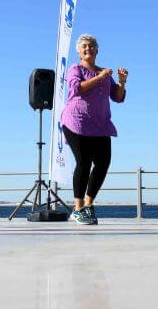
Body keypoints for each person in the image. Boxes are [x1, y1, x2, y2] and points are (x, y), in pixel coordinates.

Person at [60, 34, 127, 225]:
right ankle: (78, 208)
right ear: (79, 52)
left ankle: (88, 205)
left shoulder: (104, 73)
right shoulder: (76, 69)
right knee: (83, 162)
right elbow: (77, 89)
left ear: (97, 50)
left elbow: (117, 97)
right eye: (84, 47)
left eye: (91, 46)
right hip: (77, 122)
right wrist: (100, 77)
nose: (88, 49)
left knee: (103, 163)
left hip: (101, 124)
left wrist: (121, 82)